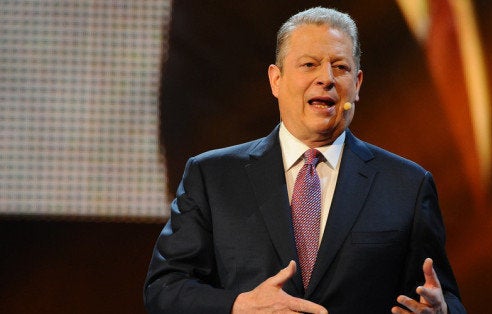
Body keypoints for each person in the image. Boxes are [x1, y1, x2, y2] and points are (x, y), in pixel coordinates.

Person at [144, 7, 465, 314]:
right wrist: (238, 306)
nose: (326, 78)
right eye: (309, 64)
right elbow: (165, 289)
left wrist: (441, 310)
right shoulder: (212, 176)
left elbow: (443, 295)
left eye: (340, 67)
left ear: (357, 85)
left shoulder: (406, 185)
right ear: (276, 80)